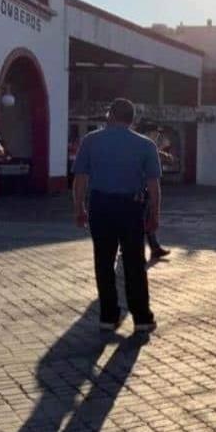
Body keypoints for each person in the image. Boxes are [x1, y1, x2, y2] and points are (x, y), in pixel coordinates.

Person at [73, 98, 161, 332]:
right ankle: (142, 318)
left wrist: (79, 207)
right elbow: (153, 185)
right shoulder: (145, 145)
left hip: (100, 205)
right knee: (134, 263)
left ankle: (108, 316)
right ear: (132, 119)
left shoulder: (91, 141)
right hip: (132, 208)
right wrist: (154, 214)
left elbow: (80, 178)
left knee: (103, 261)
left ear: (110, 115)